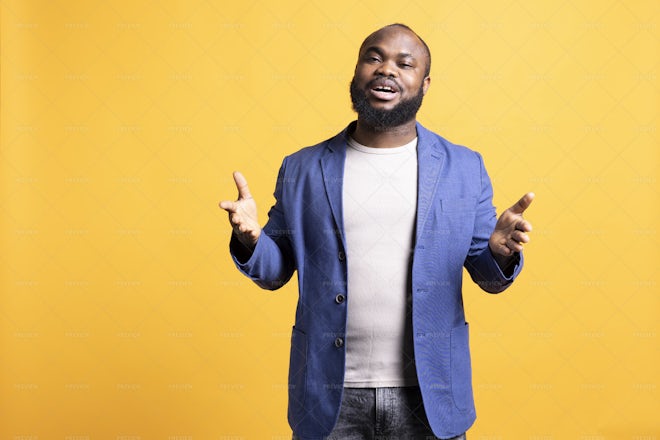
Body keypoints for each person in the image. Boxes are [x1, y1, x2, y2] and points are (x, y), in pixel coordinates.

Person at [219, 23, 534, 440]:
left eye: (405, 64)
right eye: (374, 57)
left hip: (430, 395)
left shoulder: (464, 167)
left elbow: (487, 276)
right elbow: (275, 270)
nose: (387, 69)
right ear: (357, 71)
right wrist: (251, 240)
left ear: (424, 83)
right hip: (329, 395)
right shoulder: (303, 168)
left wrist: (499, 252)